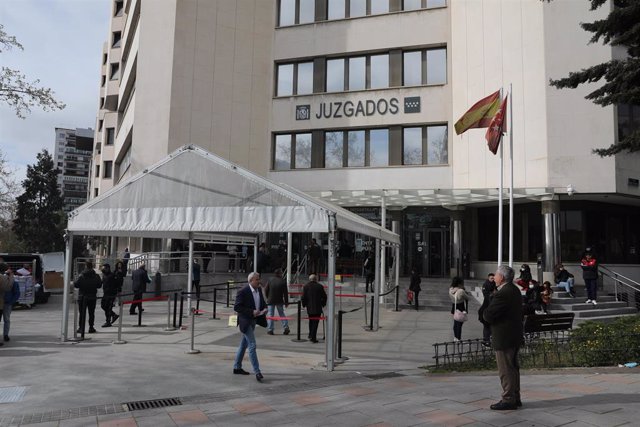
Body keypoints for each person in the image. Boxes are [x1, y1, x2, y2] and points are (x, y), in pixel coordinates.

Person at [483, 265, 524, 410]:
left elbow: (488, 315)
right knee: (513, 368)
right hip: (514, 335)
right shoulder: (514, 290)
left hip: (504, 336)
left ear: (502, 277)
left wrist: (487, 306)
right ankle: (515, 396)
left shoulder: (503, 293)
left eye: (496, 274)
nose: (494, 276)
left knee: (505, 369)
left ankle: (508, 398)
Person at [233, 272, 267, 382]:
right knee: (252, 345)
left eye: (259, 279)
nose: (259, 281)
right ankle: (257, 371)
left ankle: (237, 367)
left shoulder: (259, 291)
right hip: (245, 321)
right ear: (251, 280)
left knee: (244, 344)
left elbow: (262, 303)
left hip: (254, 321)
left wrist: (264, 309)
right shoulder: (243, 291)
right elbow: (237, 307)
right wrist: (251, 312)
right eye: (257, 279)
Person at [74, 261, 102, 334]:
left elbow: (76, 285)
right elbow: (99, 285)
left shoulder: (82, 276)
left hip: (82, 296)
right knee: (91, 313)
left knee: (82, 313)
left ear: (85, 266)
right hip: (92, 297)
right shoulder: (96, 276)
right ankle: (91, 327)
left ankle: (81, 328)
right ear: (92, 267)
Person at [264, 268, 290, 336]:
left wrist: (267, 297)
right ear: (280, 274)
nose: (282, 274)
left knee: (270, 314)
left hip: (270, 300)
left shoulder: (270, 280)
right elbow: (285, 293)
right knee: (281, 314)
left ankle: (270, 329)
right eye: (281, 272)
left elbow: (266, 289)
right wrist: (286, 302)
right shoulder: (283, 281)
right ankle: (286, 327)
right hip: (279, 300)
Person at [302, 274, 327, 343]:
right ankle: (313, 337)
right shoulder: (320, 286)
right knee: (315, 322)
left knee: (311, 321)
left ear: (309, 279)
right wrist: (323, 304)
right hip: (317, 307)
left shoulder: (306, 286)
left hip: (309, 307)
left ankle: (311, 334)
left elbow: (303, 297)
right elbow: (324, 296)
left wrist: (304, 305)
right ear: (316, 279)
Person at [478, 273, 496, 347]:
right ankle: (487, 340)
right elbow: (486, 295)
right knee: (487, 327)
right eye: (491, 278)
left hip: (489, 311)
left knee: (489, 327)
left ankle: (488, 340)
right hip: (487, 311)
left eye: (493, 278)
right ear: (488, 278)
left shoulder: (495, 284)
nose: (492, 279)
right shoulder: (486, 285)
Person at [448, 277, 468, 342]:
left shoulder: (451, 289)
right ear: (460, 283)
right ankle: (458, 338)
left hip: (454, 307)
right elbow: (468, 298)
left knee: (455, 323)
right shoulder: (461, 291)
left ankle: (455, 337)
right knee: (459, 324)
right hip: (461, 308)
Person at [0, 263, 16, 345]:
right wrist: (11, 277)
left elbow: (16, 292)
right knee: (6, 320)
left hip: (5, 303)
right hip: (1, 303)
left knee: (6, 320)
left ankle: (5, 335)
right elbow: (7, 288)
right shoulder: (2, 278)